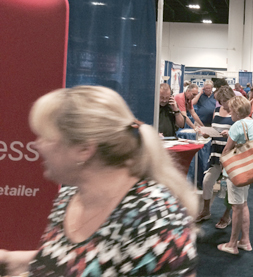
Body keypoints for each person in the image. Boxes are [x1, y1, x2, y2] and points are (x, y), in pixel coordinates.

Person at [0, 86, 197, 276]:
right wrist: (12, 262)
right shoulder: (70, 195)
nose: (37, 145)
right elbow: (77, 258)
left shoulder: (154, 218)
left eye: (47, 137)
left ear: (84, 149)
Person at [217, 96, 253, 255]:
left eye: (231, 109)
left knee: (236, 207)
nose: (228, 112)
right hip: (248, 169)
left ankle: (232, 244)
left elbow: (227, 150)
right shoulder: (251, 123)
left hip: (235, 171)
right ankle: (245, 240)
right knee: (243, 204)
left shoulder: (236, 125)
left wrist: (222, 162)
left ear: (236, 111)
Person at [195, 86, 235, 229]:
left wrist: (229, 134)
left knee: (230, 185)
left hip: (231, 154)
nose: (221, 104)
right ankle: (205, 210)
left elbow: (241, 133)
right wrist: (207, 133)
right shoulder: (217, 111)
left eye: (223, 101)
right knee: (207, 181)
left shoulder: (237, 113)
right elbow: (213, 127)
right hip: (216, 151)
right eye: (220, 101)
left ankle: (227, 214)